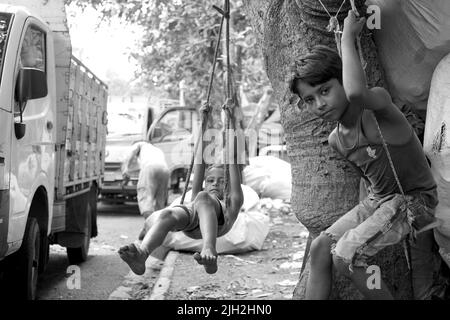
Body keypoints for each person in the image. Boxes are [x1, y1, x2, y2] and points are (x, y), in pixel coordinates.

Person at [289, 10, 440, 299]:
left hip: (414, 202)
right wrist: (368, 219)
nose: (320, 104)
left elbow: (358, 94)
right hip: (381, 201)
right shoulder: (337, 140)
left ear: (344, 81)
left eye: (325, 90)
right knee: (322, 246)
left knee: (345, 255)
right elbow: (370, 184)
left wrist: (347, 36)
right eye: (309, 100)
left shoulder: (378, 110)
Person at [118, 110, 244, 275]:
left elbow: (232, 158)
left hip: (218, 224)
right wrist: (203, 123)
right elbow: (199, 159)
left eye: (221, 182)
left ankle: (210, 251)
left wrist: (232, 121)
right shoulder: (199, 195)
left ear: (228, 186)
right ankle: (143, 254)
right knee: (167, 214)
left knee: (203, 197)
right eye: (211, 181)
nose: (215, 184)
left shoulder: (232, 201)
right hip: (191, 223)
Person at [121, 141, 170, 227]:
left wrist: (125, 169)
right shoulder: (156, 149)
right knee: (160, 201)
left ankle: (151, 227)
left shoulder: (140, 144)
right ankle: (160, 227)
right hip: (165, 169)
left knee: (145, 198)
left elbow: (130, 153)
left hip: (149, 168)